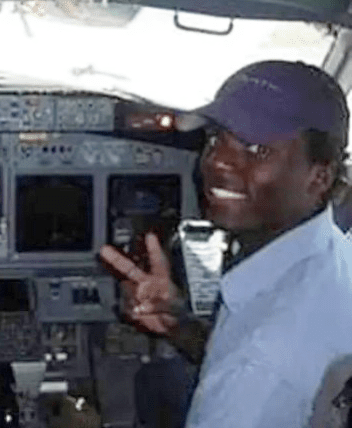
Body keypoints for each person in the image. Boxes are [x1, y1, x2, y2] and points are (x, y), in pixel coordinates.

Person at [99, 60, 352, 428]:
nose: (217, 161)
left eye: (256, 149)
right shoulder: (334, 254)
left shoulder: (259, 369)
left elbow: (257, 365)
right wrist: (179, 326)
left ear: (319, 176)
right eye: (216, 137)